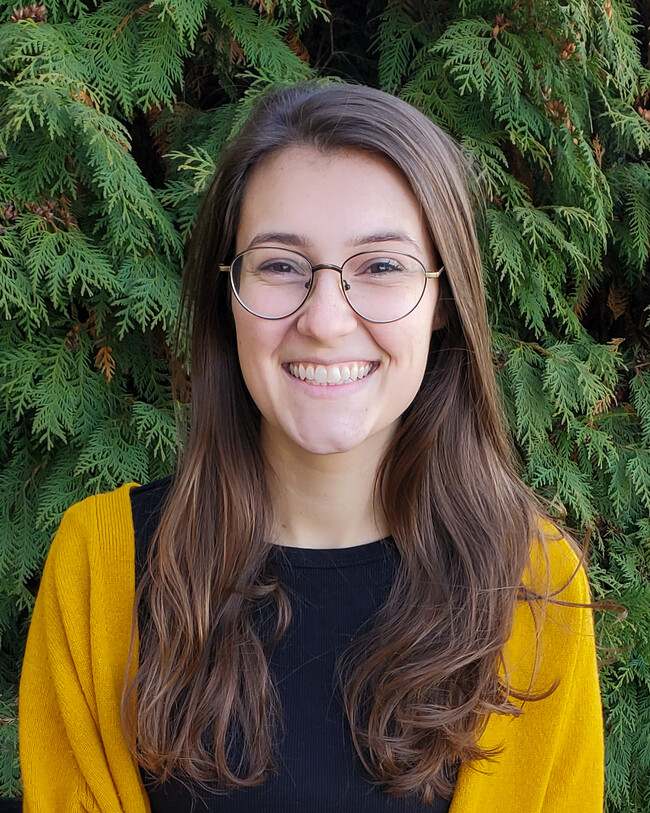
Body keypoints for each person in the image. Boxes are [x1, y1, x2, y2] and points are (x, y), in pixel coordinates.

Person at [19, 82, 604, 812]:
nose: (325, 320)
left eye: (382, 266)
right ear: (227, 295)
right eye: (279, 264)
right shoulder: (98, 567)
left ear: (444, 302)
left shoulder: (535, 589)